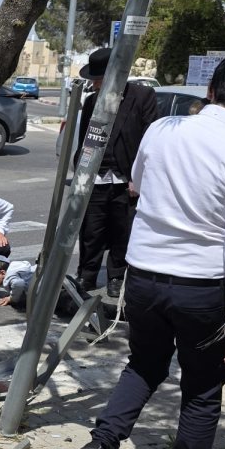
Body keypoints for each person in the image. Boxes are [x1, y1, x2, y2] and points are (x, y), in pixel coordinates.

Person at [61, 49, 225, 449]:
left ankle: (100, 444)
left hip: (144, 278)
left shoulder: (163, 129)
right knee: (203, 390)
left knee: (143, 366)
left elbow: (136, 186)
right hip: (201, 288)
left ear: (211, 90)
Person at [74, 47, 158, 298]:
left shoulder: (142, 96)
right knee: (92, 229)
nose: (95, 84)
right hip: (96, 177)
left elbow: (150, 141)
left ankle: (116, 276)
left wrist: (139, 177)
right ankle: (87, 274)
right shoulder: (91, 102)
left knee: (123, 230)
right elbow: (84, 142)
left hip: (126, 179)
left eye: (99, 79)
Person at [0, 254, 79, 317]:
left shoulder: (9, 278)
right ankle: (90, 304)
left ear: (2, 273)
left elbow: (18, 284)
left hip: (52, 288)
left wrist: (12, 298)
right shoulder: (16, 270)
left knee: (70, 305)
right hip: (62, 278)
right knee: (80, 295)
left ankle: (89, 316)